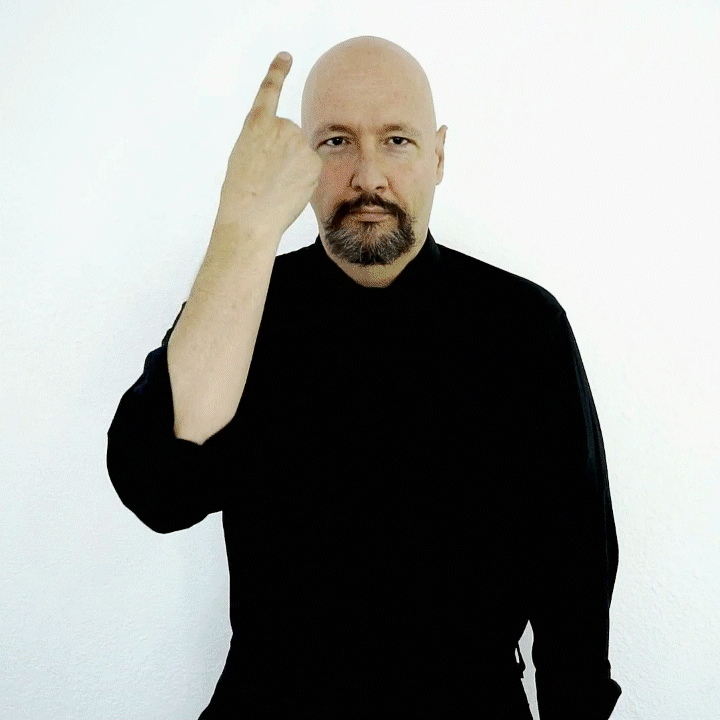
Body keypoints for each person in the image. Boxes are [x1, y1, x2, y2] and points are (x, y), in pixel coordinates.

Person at [107, 36, 622, 719]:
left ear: (439, 156)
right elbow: (159, 492)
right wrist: (242, 224)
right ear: (300, 161)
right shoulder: (244, 303)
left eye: (397, 141)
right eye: (336, 143)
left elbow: (575, 569)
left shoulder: (523, 325)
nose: (368, 176)